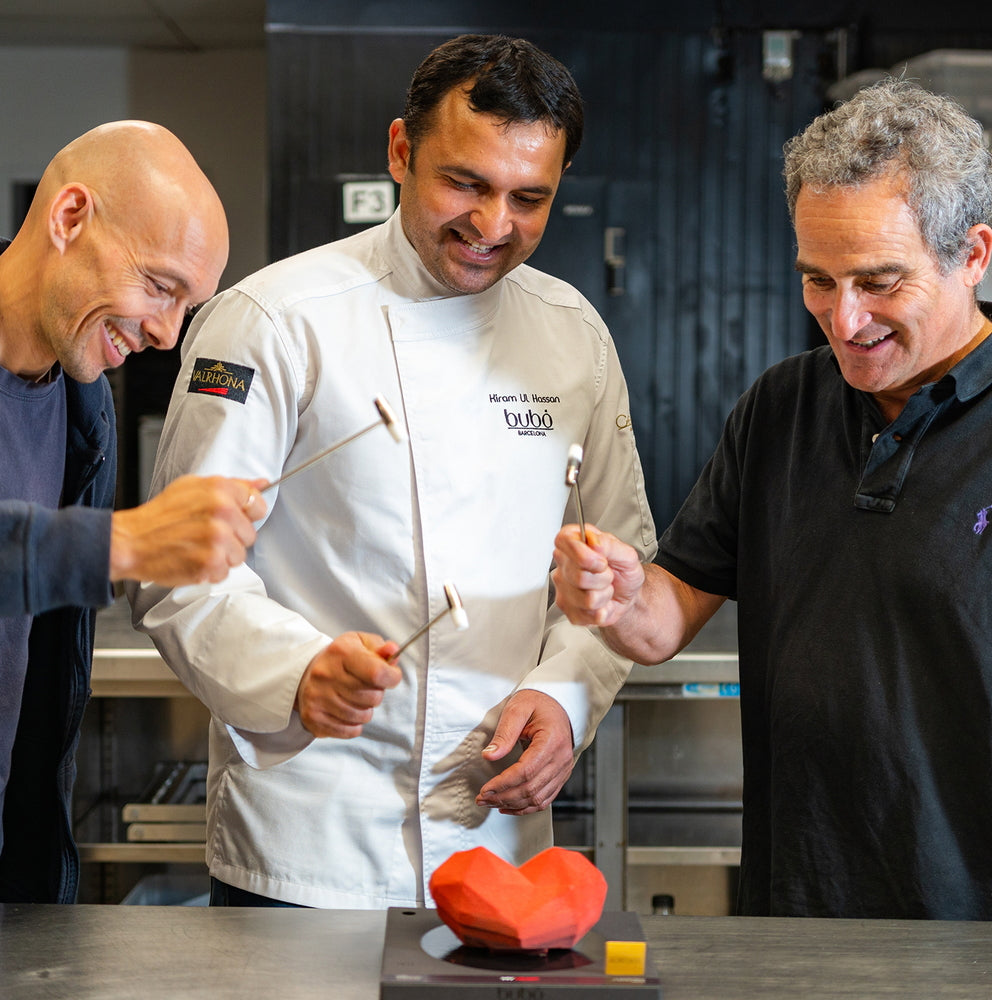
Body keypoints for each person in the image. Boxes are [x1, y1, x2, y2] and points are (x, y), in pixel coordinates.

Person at [129, 34, 655, 908]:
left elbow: (620, 565)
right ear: (401, 152)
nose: (494, 225)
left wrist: (567, 697)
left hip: (497, 842)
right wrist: (300, 671)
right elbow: (178, 573)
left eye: (530, 198)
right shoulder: (272, 320)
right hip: (306, 842)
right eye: (466, 184)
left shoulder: (573, 335)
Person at [551, 78, 992, 920]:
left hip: (968, 931)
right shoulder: (783, 406)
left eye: (879, 282)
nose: (844, 320)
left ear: (972, 255)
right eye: (818, 280)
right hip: (794, 913)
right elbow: (664, 620)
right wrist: (618, 593)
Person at [0, 120, 269, 903]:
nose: (165, 334)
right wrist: (122, 542)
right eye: (159, 286)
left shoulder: (85, 410)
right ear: (69, 218)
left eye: (188, 306)